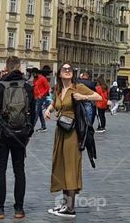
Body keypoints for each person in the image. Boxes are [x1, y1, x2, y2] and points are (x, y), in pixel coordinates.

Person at [0, 55, 35, 220]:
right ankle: (19, 209)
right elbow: (33, 112)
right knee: (19, 170)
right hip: (20, 134)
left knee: (1, 171)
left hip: (2, 135)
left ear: (6, 67)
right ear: (19, 68)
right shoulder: (27, 87)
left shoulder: (0, 87)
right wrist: (29, 131)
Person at [46, 63, 101, 218]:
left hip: (73, 133)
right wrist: (48, 110)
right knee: (61, 166)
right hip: (60, 132)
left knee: (70, 167)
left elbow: (99, 97)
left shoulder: (78, 87)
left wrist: (84, 97)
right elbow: (54, 104)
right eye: (65, 69)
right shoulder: (58, 89)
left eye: (70, 70)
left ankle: (70, 208)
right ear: (59, 74)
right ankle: (64, 205)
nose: (68, 71)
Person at [32, 67, 51, 133]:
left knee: (36, 112)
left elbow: (47, 88)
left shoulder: (42, 78)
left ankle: (31, 127)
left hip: (41, 97)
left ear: (37, 73)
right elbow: (34, 88)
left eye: (34, 73)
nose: (33, 75)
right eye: (32, 73)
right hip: (36, 97)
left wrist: (41, 95)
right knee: (39, 112)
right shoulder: (34, 80)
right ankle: (43, 127)